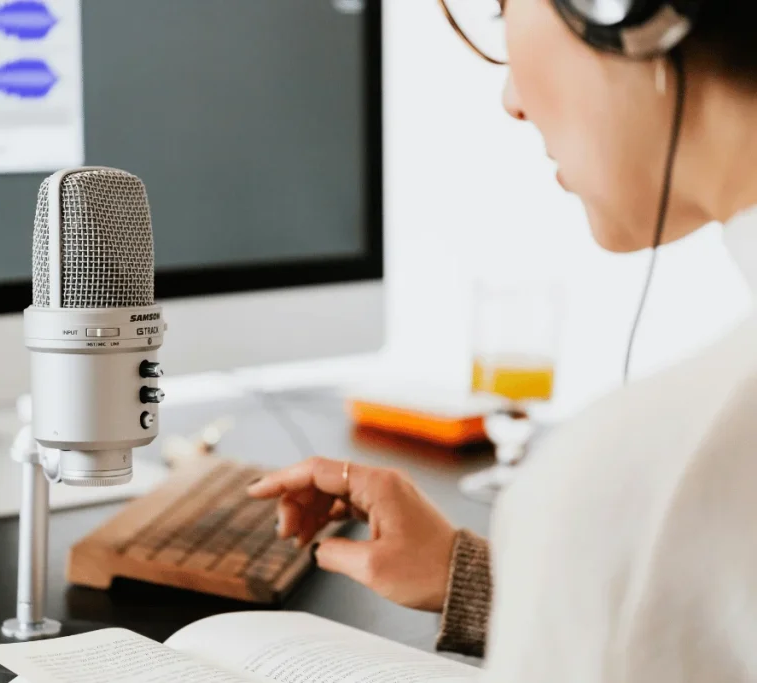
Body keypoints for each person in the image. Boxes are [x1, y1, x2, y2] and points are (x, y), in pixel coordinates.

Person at [248, 0, 757, 679]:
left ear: (623, 10)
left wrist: (583, 546)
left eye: (503, 13)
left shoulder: (634, 491)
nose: (512, 99)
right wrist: (502, 582)